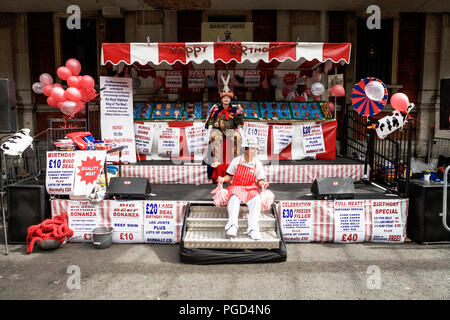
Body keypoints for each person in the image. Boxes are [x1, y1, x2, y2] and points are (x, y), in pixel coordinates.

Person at [217, 137, 269, 240]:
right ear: (246, 149)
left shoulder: (257, 163)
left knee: (256, 200)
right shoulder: (236, 161)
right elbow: (229, 176)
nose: (256, 151)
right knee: (234, 198)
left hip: (250, 188)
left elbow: (260, 180)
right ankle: (232, 226)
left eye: (256, 149)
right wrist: (223, 179)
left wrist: (263, 184)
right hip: (236, 186)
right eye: (253, 148)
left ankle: (253, 229)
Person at [206, 75, 243, 168]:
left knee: (237, 137)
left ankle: (235, 160)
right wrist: (212, 126)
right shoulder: (216, 109)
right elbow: (211, 119)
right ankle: (217, 160)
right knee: (214, 136)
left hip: (230, 130)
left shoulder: (235, 109)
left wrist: (238, 115)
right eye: (224, 98)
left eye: (228, 98)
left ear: (230, 100)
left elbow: (239, 123)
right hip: (218, 130)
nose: (226, 99)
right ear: (221, 99)